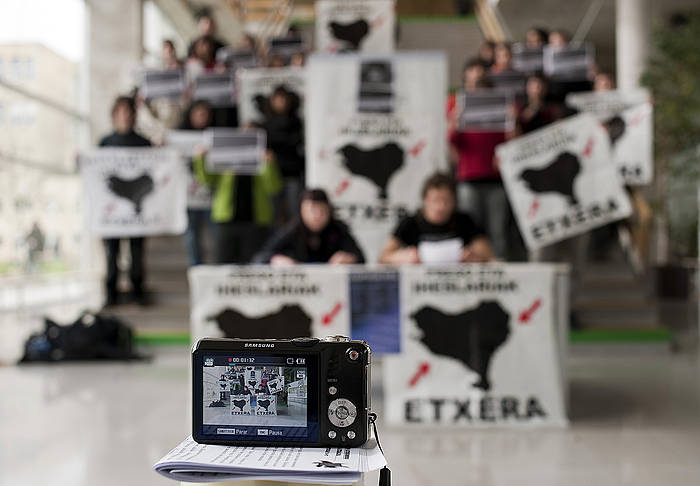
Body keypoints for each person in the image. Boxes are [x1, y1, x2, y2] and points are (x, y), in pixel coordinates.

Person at [449, 62, 511, 258]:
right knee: (471, 231)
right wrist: (455, 121)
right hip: (469, 178)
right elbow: (452, 140)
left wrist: (512, 120)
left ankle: (498, 267)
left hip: (496, 179)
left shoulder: (502, 119)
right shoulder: (464, 117)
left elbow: (512, 143)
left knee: (498, 231)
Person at [99, 96, 152, 306]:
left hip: (136, 210)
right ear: (114, 116)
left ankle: (137, 291)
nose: (124, 116)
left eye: (128, 112)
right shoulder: (105, 143)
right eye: (120, 112)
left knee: (137, 252)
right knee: (111, 254)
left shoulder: (143, 143)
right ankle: (111, 294)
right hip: (112, 212)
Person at [379, 173, 494, 264]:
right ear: (425, 201)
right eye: (435, 200)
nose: (441, 207)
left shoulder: (464, 221)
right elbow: (383, 258)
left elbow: (489, 257)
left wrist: (474, 258)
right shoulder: (410, 223)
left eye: (446, 201)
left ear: (454, 202)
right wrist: (401, 257)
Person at [194, 148, 282, 264]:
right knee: (222, 262)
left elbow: (274, 187)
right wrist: (201, 159)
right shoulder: (225, 163)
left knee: (253, 263)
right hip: (226, 220)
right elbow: (207, 180)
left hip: (255, 222)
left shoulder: (262, 164)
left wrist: (269, 164)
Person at [255, 188, 365, 265]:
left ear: (329, 211)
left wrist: (349, 258)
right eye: (311, 211)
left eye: (321, 211)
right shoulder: (293, 229)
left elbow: (361, 258)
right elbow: (260, 257)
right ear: (302, 211)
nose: (316, 216)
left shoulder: (338, 229)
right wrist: (276, 259)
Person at [256, 86, 304, 224]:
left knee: (294, 210)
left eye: (283, 99)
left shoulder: (296, 122)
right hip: (272, 174)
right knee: (274, 212)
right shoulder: (265, 123)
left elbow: (296, 142)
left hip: (292, 172)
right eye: (277, 99)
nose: (280, 102)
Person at [180, 100, 215, 265]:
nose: (202, 117)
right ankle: (196, 266)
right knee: (192, 236)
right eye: (198, 113)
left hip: (211, 195)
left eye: (205, 113)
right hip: (188, 195)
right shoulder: (180, 136)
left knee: (215, 235)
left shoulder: (215, 135)